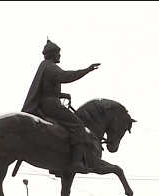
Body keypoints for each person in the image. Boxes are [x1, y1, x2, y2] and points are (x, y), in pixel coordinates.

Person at [22, 39, 101, 174]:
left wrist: (61, 94)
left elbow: (47, 88)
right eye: (58, 53)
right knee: (78, 126)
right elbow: (66, 76)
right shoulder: (51, 67)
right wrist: (86, 70)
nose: (60, 56)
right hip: (51, 106)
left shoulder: (44, 66)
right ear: (53, 54)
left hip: (47, 102)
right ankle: (76, 162)